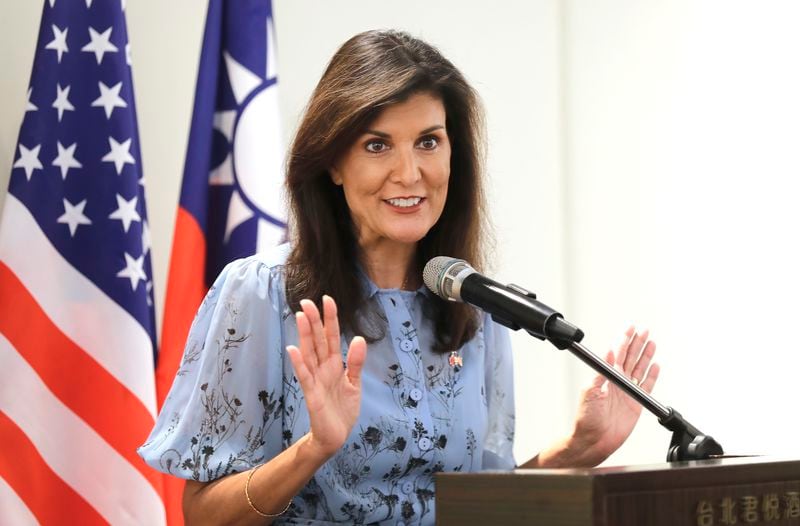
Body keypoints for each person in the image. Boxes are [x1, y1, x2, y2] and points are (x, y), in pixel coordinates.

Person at [138, 29, 659, 525]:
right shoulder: (261, 292)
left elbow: (482, 507)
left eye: (428, 142)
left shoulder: (477, 305)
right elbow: (202, 515)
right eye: (377, 145)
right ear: (333, 163)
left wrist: (577, 449)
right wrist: (314, 448)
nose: (409, 174)